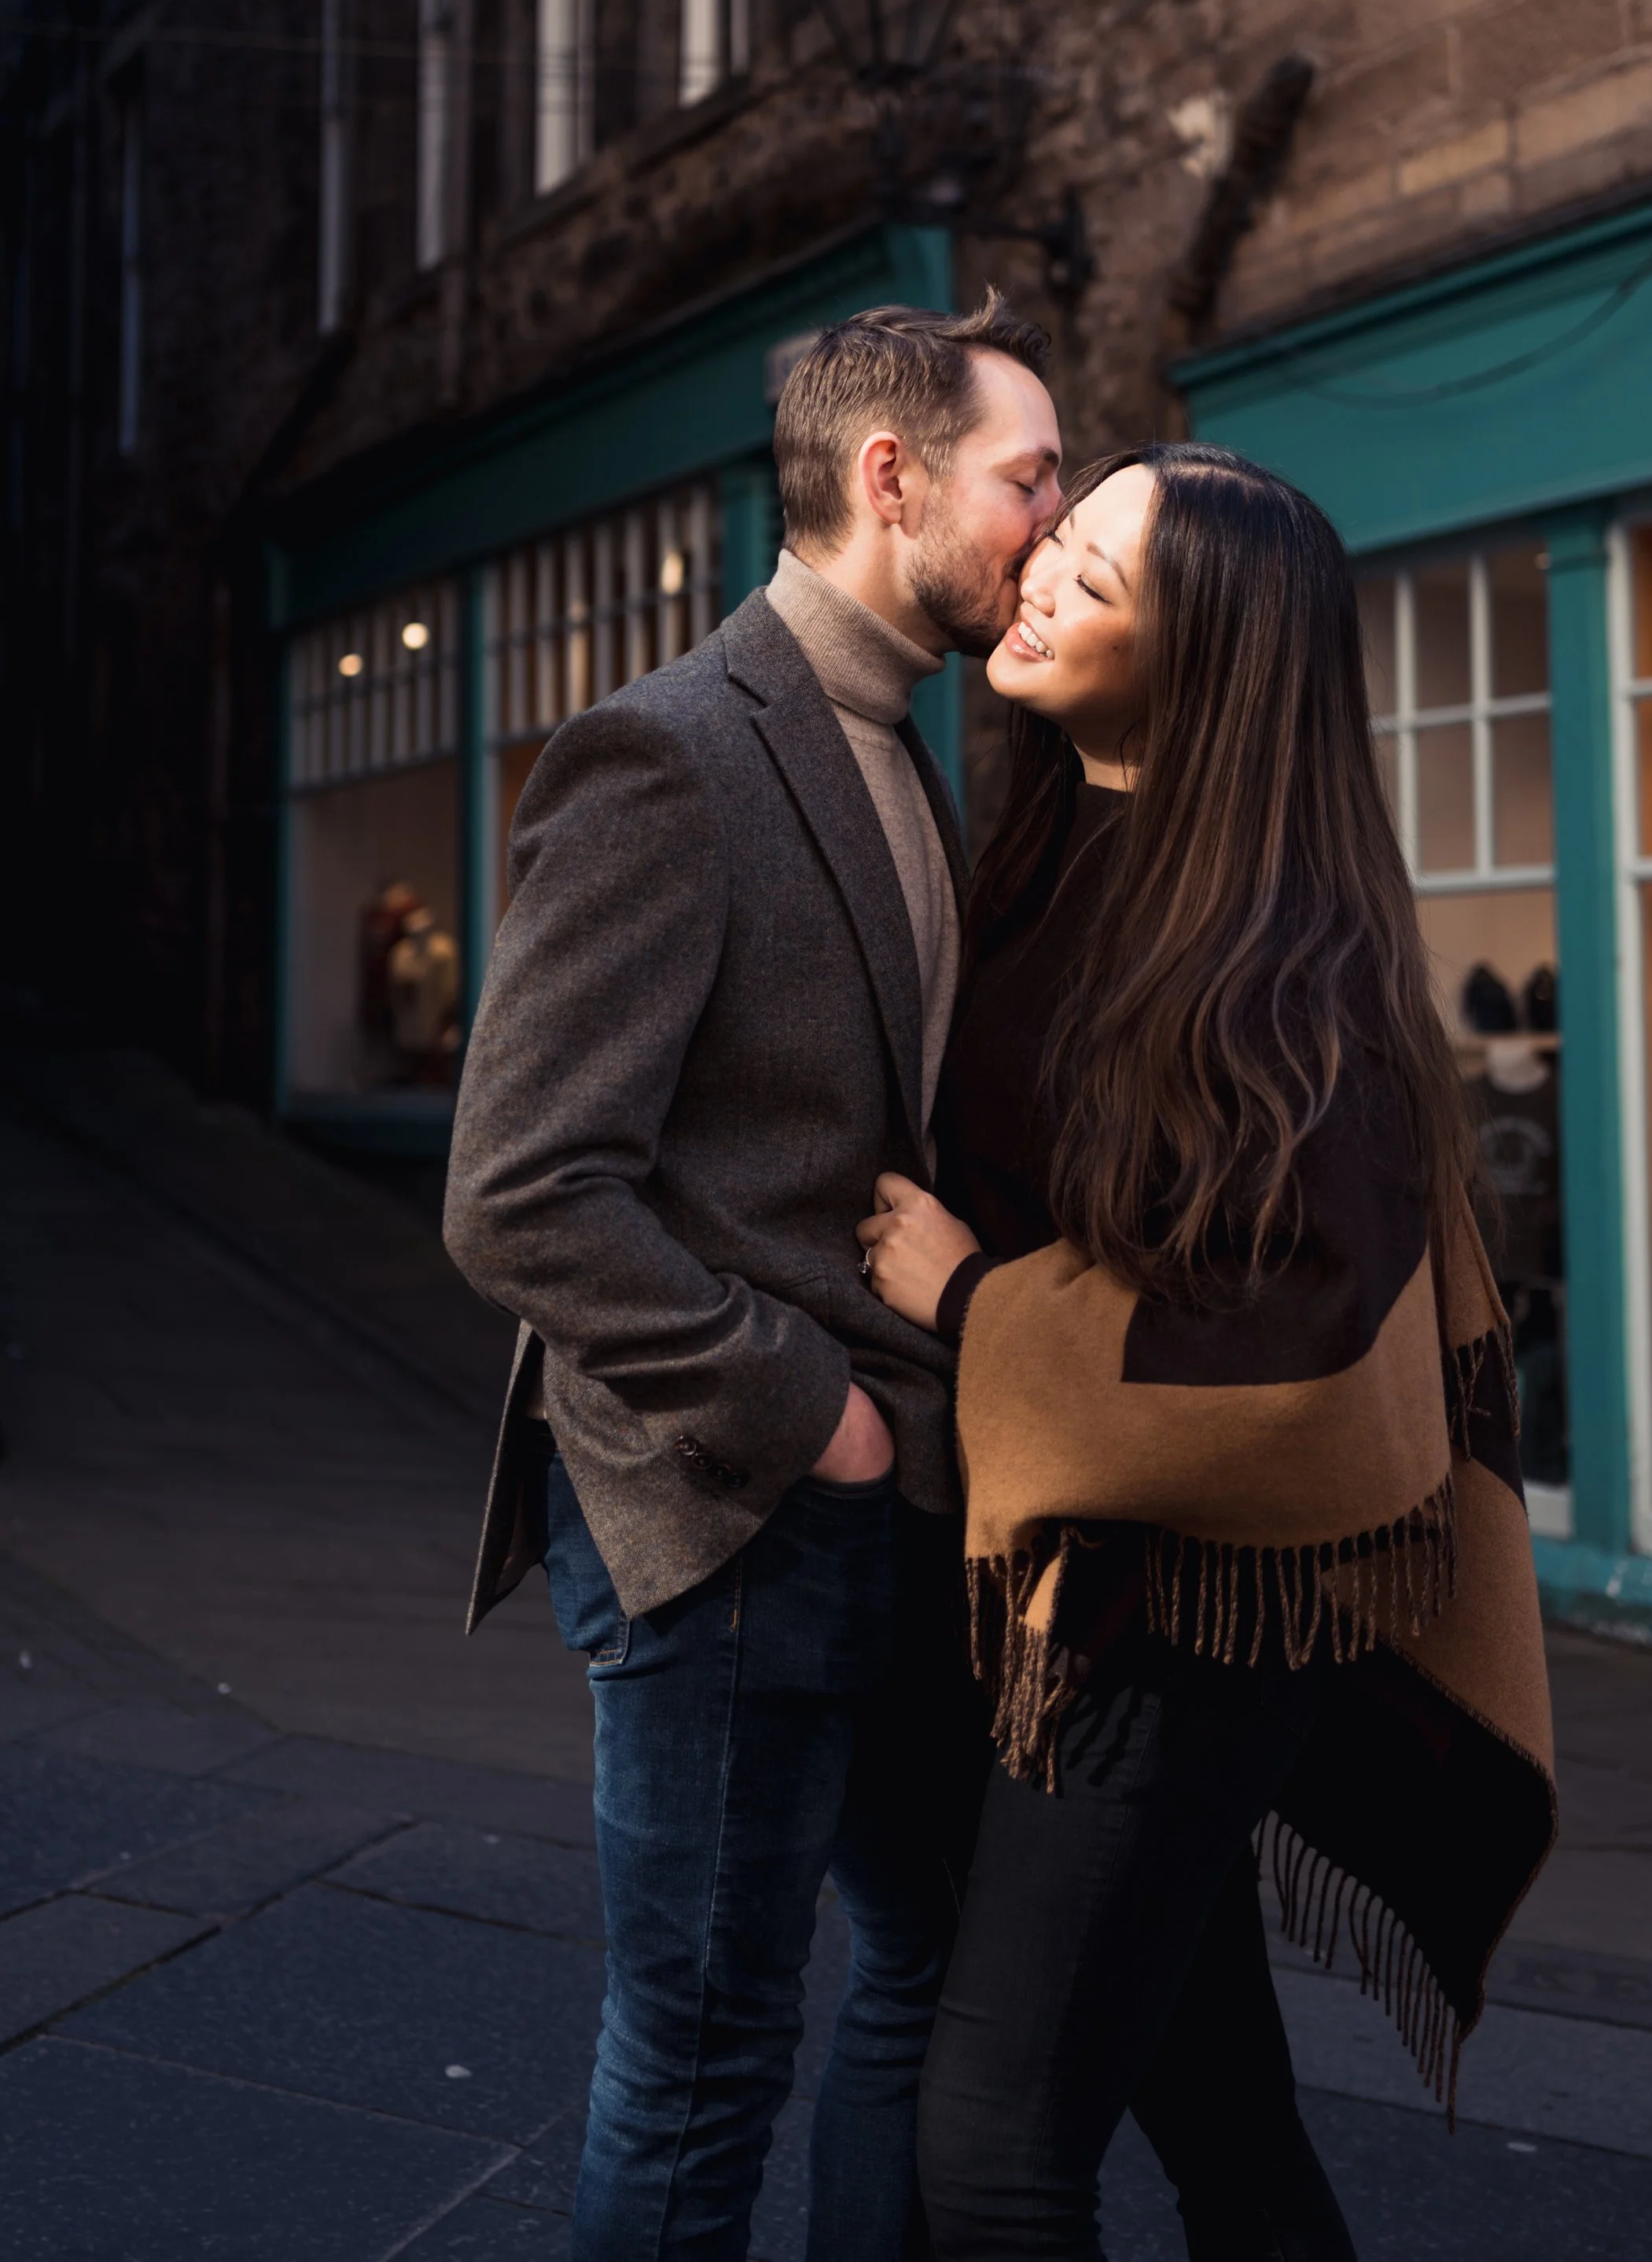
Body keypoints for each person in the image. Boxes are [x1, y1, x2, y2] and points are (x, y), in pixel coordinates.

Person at [863, 445, 1558, 2262]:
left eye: (1089, 580)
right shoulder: (1047, 843)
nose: (1033, 581)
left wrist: (964, 1303)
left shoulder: (1286, 955)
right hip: (1054, 1583)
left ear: (1212, 659)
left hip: (1177, 1624)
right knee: (1219, 2118)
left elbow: (1290, 1329)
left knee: (993, 2149)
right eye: (1056, 542)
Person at [443, 297, 1061, 2262]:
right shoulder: (669, 754)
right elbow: (523, 1192)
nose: (1050, 522)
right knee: (707, 2055)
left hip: (888, 1508)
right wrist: (820, 1423)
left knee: (930, 1974)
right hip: (725, 1514)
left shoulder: (904, 748)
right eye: (1026, 477)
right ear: (890, 479)